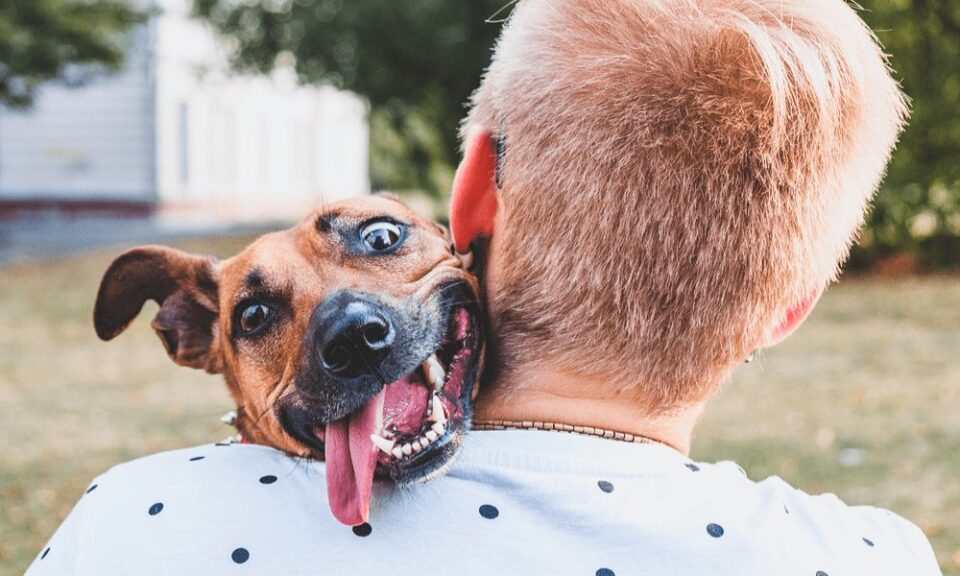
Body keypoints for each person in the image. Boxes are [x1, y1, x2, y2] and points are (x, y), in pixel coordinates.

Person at [27, 0, 941, 574]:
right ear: (789, 308)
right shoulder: (876, 557)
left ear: (466, 204)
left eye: (380, 241)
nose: (347, 317)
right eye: (262, 313)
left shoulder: (128, 528)